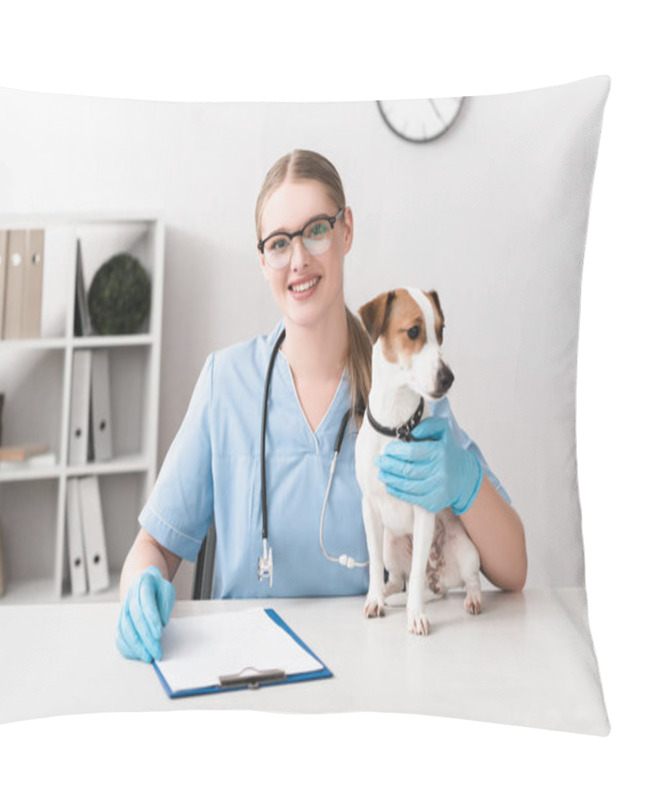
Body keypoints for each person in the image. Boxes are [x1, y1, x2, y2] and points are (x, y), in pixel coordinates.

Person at [116, 149, 527, 662]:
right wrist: (140, 589)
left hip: (373, 669)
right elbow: (153, 547)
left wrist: (463, 480)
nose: (299, 260)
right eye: (279, 243)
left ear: (346, 230)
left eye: (316, 230)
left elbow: (513, 569)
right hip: (245, 672)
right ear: (263, 258)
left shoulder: (408, 390)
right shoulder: (227, 384)